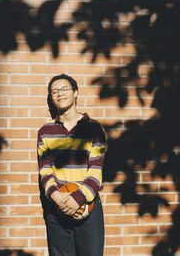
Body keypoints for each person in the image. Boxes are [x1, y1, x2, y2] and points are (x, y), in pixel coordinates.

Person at [37, 74, 106, 256]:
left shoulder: (94, 128)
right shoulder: (45, 132)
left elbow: (96, 170)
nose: (60, 94)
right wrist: (56, 196)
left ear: (75, 93)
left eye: (65, 89)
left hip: (88, 207)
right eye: (55, 91)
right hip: (57, 208)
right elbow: (45, 171)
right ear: (51, 98)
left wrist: (79, 197)